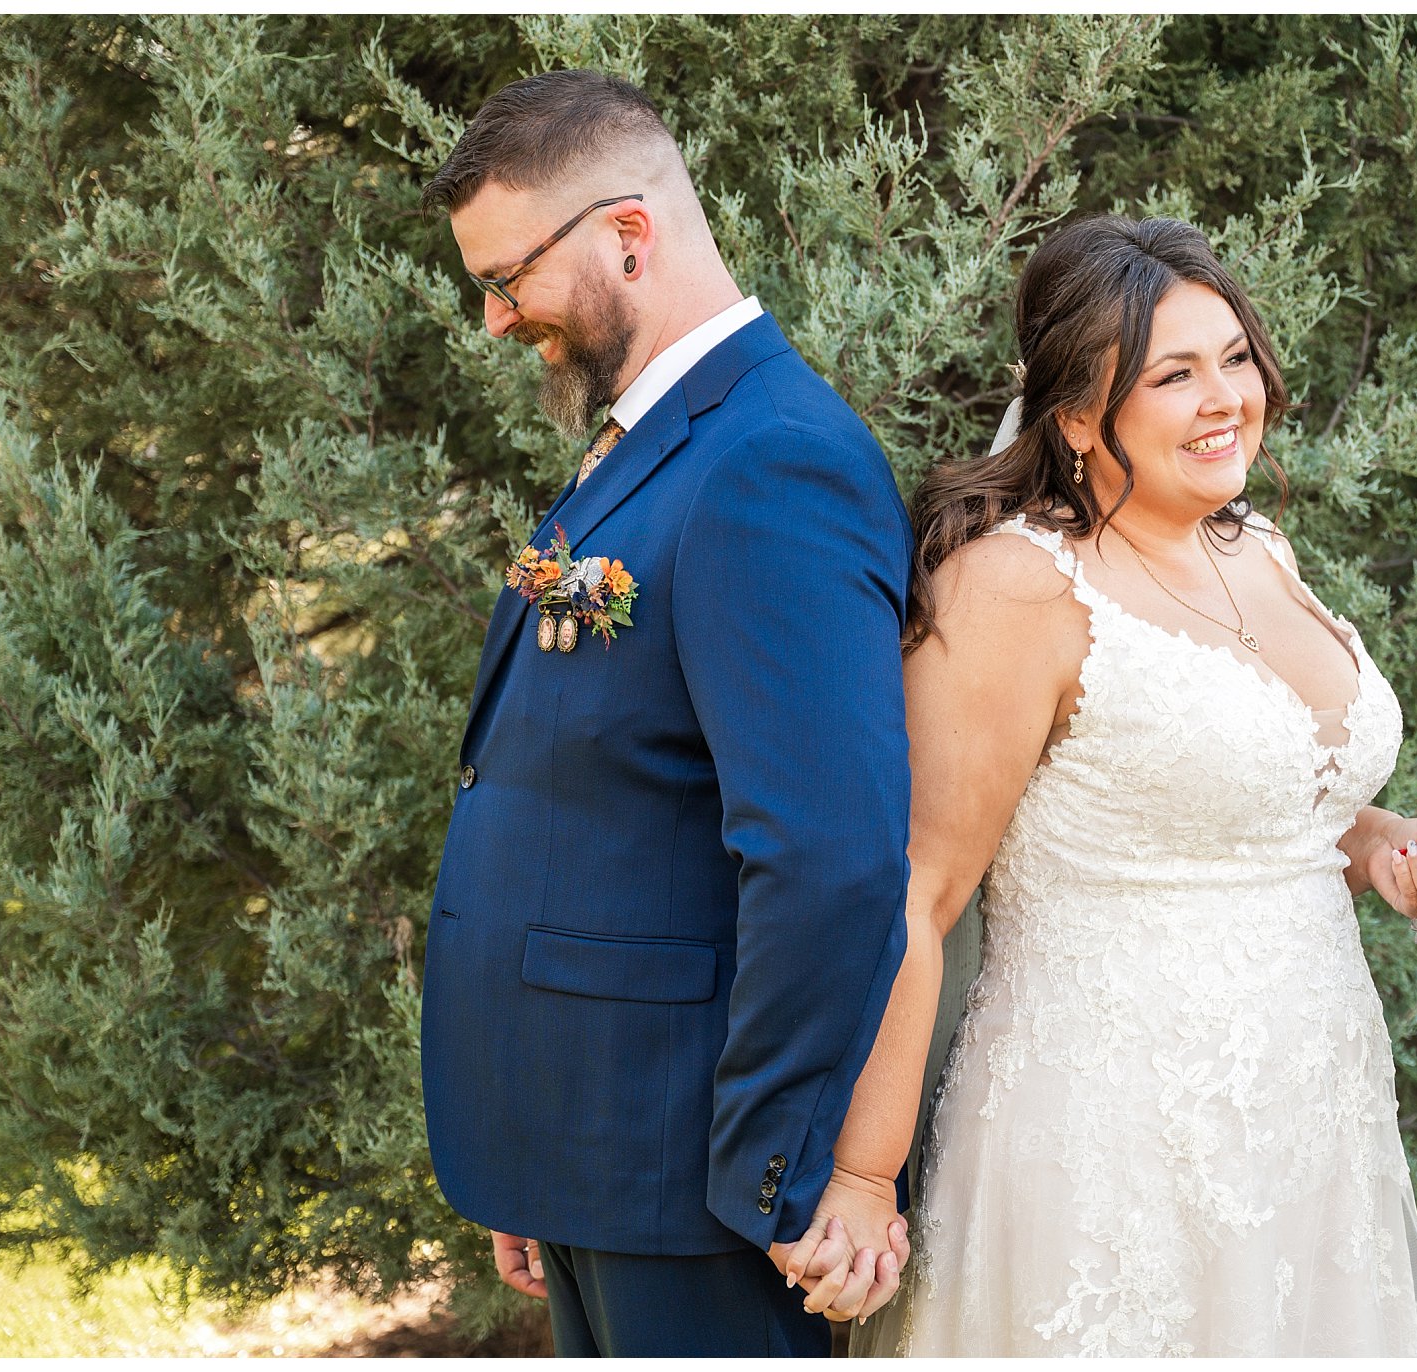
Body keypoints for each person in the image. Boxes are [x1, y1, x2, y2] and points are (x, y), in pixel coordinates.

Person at [821, 215, 1417, 1354]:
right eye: (1173, 374)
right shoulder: (1013, 590)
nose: (1224, 398)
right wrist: (865, 1175)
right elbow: (919, 889)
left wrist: (1373, 840)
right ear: (1074, 416)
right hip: (1107, 1142)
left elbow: (1262, 795)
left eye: (1232, 358)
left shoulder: (1251, 544)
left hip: (1313, 1118)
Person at [416, 70, 914, 1356]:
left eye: (505, 278)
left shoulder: (773, 460)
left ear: (627, 238)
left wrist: (766, 1171)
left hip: (691, 1190)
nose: (491, 320)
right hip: (586, 1151)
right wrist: (535, 1152)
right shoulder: (646, 446)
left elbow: (827, 860)